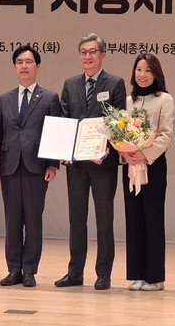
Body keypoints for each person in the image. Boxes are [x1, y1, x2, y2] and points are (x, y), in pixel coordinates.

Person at [54, 33, 126, 291]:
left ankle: (103, 274)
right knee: (76, 219)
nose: (88, 56)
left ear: (102, 55)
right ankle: (75, 272)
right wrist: (64, 149)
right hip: (76, 165)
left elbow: (119, 121)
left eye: (93, 51)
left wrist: (105, 148)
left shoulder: (115, 83)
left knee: (104, 220)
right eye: (83, 52)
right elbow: (65, 120)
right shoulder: (70, 84)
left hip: (102, 163)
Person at [0, 44, 61, 288]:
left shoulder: (49, 98)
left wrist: (53, 165)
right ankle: (14, 270)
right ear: (15, 67)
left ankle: (30, 271)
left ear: (38, 67)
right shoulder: (4, 99)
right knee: (12, 219)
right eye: (20, 62)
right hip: (9, 165)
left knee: (33, 219)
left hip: (37, 166)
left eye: (29, 62)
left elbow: (54, 133)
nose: (24, 66)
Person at [120, 53, 175, 292]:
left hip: (153, 166)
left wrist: (144, 153)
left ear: (156, 74)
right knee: (133, 219)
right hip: (130, 166)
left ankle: (155, 277)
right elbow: (119, 132)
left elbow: (165, 134)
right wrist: (125, 154)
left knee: (152, 219)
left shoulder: (165, 99)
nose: (142, 75)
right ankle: (138, 274)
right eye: (139, 70)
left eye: (148, 70)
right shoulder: (128, 101)